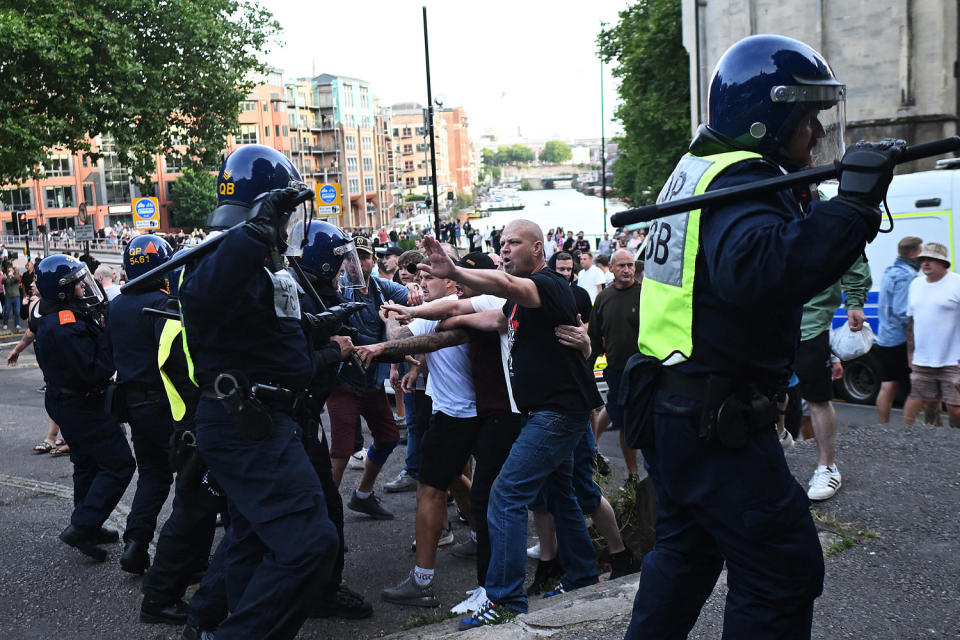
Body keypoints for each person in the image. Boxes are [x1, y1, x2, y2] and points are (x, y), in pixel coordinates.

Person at [622, 34, 902, 639]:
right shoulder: (741, 185)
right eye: (808, 120)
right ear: (769, 120)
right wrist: (852, 205)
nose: (816, 136)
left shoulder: (700, 171)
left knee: (686, 553)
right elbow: (763, 270)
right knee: (780, 569)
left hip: (676, 404)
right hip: (713, 419)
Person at [178, 144, 339, 639]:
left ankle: (206, 624)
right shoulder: (222, 255)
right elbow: (200, 296)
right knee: (309, 545)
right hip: (245, 421)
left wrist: (315, 329)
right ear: (267, 209)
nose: (291, 223)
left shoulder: (257, 260)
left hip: (266, 420)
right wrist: (251, 234)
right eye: (285, 211)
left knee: (251, 541)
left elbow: (259, 333)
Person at [416, 222, 602, 629]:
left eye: (513, 243)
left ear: (538, 248)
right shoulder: (516, 303)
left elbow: (506, 286)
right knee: (563, 492)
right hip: (549, 411)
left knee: (505, 494)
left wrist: (456, 272)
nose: (504, 250)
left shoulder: (546, 283)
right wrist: (431, 319)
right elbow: (483, 316)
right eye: (501, 243)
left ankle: (505, 600)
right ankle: (583, 575)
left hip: (557, 413)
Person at [33, 254, 136, 561]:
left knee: (87, 464)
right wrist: (111, 340)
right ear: (63, 291)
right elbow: (95, 369)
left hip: (69, 401)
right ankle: (82, 525)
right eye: (77, 285)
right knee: (119, 464)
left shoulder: (59, 314)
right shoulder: (66, 324)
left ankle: (89, 525)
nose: (83, 289)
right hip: (83, 403)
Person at [108, 234, 177, 575]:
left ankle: (136, 542)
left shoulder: (117, 305)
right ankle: (184, 557)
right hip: (166, 403)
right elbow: (176, 359)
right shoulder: (163, 305)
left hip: (133, 404)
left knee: (152, 474)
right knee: (195, 477)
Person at [323, 234, 405, 518]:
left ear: (374, 260)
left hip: (371, 383)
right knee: (343, 449)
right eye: (350, 257)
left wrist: (418, 293)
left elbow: (411, 297)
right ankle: (328, 515)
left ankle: (363, 494)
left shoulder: (383, 288)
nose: (357, 262)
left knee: (388, 436)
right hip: (344, 382)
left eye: (364, 256)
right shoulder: (339, 290)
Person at [797, 255, 871, 501]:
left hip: (809, 323)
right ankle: (777, 447)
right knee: (764, 392)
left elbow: (850, 251)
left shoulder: (821, 215)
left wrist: (855, 302)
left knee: (817, 398)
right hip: (768, 320)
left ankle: (827, 467)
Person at [588, 249, 641, 481]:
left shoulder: (646, 294)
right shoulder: (603, 298)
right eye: (622, 266)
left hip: (645, 369)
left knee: (645, 421)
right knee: (624, 423)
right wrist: (587, 368)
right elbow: (594, 337)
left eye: (630, 265)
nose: (627, 270)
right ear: (612, 268)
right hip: (618, 371)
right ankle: (633, 475)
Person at [902, 242, 960, 427]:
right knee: (928, 405)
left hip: (953, 360)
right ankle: (933, 444)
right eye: (923, 259)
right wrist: (911, 353)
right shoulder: (916, 285)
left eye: (932, 260)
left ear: (944, 263)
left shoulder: (956, 283)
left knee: (955, 408)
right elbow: (910, 321)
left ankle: (955, 443)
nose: (926, 263)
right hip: (923, 359)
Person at [875, 236, 923, 423]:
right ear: (912, 253)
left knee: (888, 384)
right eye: (920, 253)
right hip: (900, 340)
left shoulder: (889, 271)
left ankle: (882, 429)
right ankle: (907, 431)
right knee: (917, 387)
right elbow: (902, 311)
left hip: (885, 338)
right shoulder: (907, 276)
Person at [3, 266, 21, 331]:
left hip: (16, 297)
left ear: (13, 271)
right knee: (6, 311)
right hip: (8, 297)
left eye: (10, 270)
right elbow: (3, 282)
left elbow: (18, 279)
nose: (9, 271)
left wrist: (12, 275)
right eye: (8, 270)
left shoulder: (16, 276)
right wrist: (5, 278)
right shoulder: (6, 277)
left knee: (17, 311)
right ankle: (5, 324)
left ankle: (17, 324)